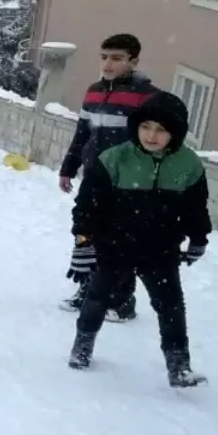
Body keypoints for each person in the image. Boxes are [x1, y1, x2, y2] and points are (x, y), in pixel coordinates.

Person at [68, 92, 210, 387]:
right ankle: (82, 346)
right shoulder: (115, 158)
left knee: (171, 306)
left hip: (160, 250)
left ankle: (178, 365)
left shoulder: (189, 165)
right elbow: (89, 203)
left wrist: (198, 238)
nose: (151, 135)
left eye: (160, 129)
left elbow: (195, 207)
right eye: (145, 127)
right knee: (97, 298)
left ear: (176, 132)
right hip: (114, 246)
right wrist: (83, 238)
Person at [59, 33, 157, 319]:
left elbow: (153, 141)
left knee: (119, 240)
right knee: (85, 231)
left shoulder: (147, 97)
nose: (108, 64)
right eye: (104, 57)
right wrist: (68, 167)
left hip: (127, 182)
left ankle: (121, 301)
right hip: (94, 176)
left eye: (116, 58)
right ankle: (89, 290)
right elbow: (82, 133)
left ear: (133, 61)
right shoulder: (93, 91)